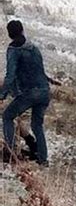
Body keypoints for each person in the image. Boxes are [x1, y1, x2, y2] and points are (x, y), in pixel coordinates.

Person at [0, 20, 50, 166]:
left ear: (9, 34)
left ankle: (10, 153)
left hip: (30, 93)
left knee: (7, 116)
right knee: (37, 125)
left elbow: (10, 75)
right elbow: (39, 70)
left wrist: (2, 95)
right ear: (22, 31)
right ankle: (43, 159)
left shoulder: (14, 49)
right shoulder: (33, 47)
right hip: (45, 91)